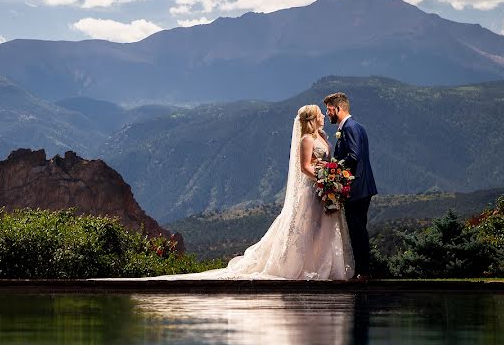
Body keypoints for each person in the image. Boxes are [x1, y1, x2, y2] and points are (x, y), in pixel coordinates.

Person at [144, 104, 354, 280]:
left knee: (320, 229)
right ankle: (301, 266)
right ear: (312, 119)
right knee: (306, 228)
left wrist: (331, 177)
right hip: (312, 190)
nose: (323, 117)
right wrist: (323, 179)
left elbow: (325, 162)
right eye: (319, 115)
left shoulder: (323, 137)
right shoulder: (307, 140)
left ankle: (320, 266)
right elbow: (305, 167)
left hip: (323, 191)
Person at [324, 92, 377, 280]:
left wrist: (332, 166)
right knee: (358, 229)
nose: (327, 114)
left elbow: (354, 156)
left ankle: (363, 272)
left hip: (357, 187)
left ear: (338, 108)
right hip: (362, 186)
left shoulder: (349, 128)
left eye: (329, 110)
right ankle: (362, 271)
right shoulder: (356, 126)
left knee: (357, 230)